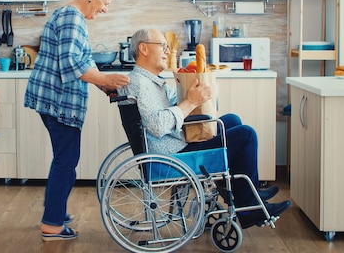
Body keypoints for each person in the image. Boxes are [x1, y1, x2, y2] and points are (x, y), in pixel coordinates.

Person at [119, 28, 290, 229]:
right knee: (246, 135)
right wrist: (190, 102)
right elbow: (157, 125)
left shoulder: (153, 82)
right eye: (163, 46)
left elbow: (179, 108)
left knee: (232, 121)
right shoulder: (140, 83)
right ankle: (249, 207)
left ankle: (247, 194)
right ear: (144, 48)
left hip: (176, 147)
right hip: (171, 158)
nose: (167, 50)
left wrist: (195, 91)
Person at [23, 0, 130, 241]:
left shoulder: (67, 15)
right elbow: (70, 64)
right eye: (105, 2)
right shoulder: (72, 17)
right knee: (66, 162)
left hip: (51, 98)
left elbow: (82, 61)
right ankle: (52, 225)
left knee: (63, 159)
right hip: (59, 101)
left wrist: (102, 84)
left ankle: (54, 210)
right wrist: (104, 78)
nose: (105, 9)